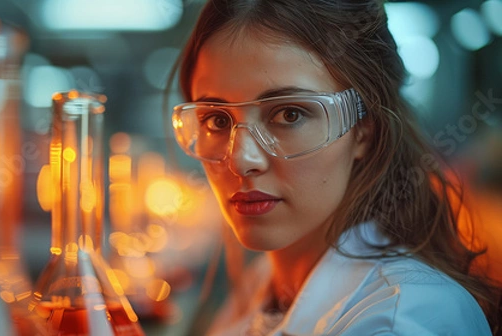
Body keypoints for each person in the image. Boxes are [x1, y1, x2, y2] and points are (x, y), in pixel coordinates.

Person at [169, 0, 502, 335]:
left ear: (364, 131)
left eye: (290, 115)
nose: (241, 160)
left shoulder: (398, 322)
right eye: (216, 119)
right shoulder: (265, 281)